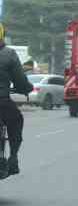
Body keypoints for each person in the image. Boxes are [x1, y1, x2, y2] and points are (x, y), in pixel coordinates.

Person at [0, 23, 34, 178]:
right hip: (2, 102)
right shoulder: (8, 54)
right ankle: (13, 157)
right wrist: (26, 88)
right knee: (16, 120)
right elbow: (20, 81)